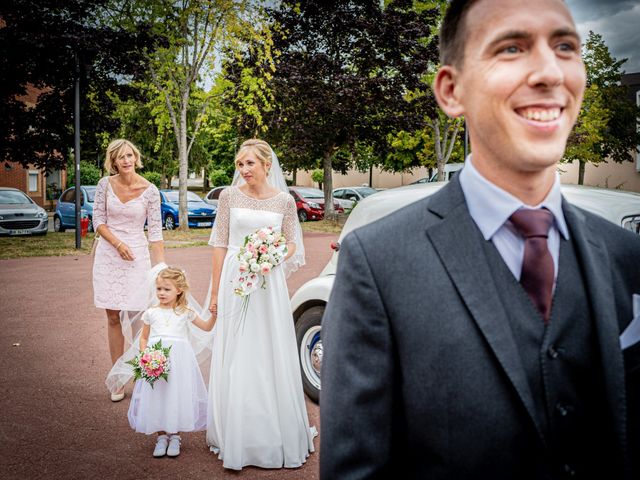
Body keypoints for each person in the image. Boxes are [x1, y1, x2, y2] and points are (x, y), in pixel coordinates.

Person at [320, 0, 640, 479]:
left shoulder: (627, 256)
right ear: (451, 91)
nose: (550, 72)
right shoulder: (378, 263)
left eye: (565, 47)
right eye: (512, 47)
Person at [205, 139, 316, 470]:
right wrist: (213, 293)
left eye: (250, 163)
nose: (243, 170)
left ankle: (271, 430)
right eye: (240, 164)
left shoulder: (283, 201)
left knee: (266, 348)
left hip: (267, 282)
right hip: (233, 280)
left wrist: (270, 254)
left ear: (268, 165)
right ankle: (236, 432)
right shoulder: (229, 197)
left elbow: (293, 245)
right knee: (237, 349)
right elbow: (220, 244)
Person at [93, 139, 164, 402]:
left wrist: (160, 270)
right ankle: (118, 378)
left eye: (130, 156)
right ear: (113, 162)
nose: (126, 161)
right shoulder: (104, 185)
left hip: (137, 257)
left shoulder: (150, 190)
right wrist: (117, 243)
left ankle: (142, 376)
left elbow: (155, 233)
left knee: (138, 319)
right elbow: (98, 220)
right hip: (109, 254)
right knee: (113, 316)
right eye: (121, 157)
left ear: (136, 158)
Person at [118, 266, 214, 457]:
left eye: (166, 289)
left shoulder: (185, 311)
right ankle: (161, 436)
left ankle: (175, 436)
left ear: (179, 290)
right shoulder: (151, 312)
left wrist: (215, 314)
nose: (161, 293)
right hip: (156, 360)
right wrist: (146, 355)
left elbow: (206, 326)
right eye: (159, 289)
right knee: (158, 395)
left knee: (175, 394)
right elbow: (144, 338)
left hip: (179, 361)